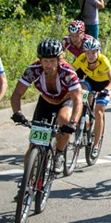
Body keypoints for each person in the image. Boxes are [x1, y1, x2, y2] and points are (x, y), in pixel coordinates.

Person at [11, 39, 82, 172]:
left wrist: (73, 122)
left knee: (63, 120)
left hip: (65, 100)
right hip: (46, 101)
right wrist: (17, 112)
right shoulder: (33, 70)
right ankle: (26, 183)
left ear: (59, 60)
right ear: (40, 60)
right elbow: (16, 94)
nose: (49, 65)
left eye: (52, 61)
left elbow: (78, 100)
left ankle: (60, 153)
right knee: (34, 144)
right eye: (45, 61)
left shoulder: (68, 73)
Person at [72, 38, 111, 157]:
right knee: (81, 93)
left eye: (93, 52)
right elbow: (70, 72)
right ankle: (83, 118)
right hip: (90, 81)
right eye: (88, 53)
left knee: (99, 112)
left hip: (103, 85)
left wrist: (106, 90)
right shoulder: (82, 58)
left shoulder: (103, 61)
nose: (90, 56)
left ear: (98, 52)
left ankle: (96, 144)